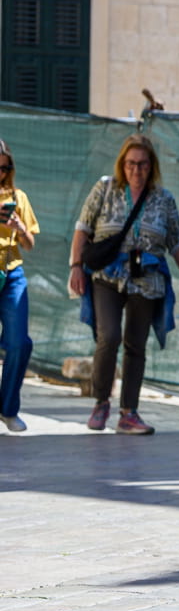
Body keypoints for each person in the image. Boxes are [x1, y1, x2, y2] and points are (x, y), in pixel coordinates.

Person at [69, 134, 179, 435]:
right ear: (121, 164)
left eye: (142, 164)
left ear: (151, 166)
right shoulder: (105, 188)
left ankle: (129, 412)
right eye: (130, 164)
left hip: (147, 278)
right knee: (109, 336)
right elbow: (82, 228)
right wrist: (76, 266)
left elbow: (176, 241)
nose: (136, 170)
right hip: (108, 275)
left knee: (136, 345)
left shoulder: (163, 198)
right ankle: (101, 401)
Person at [0, 139, 37, 433]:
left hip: (12, 272)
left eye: (4, 168)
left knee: (19, 342)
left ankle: (8, 408)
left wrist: (19, 227)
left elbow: (30, 243)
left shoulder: (18, 197)